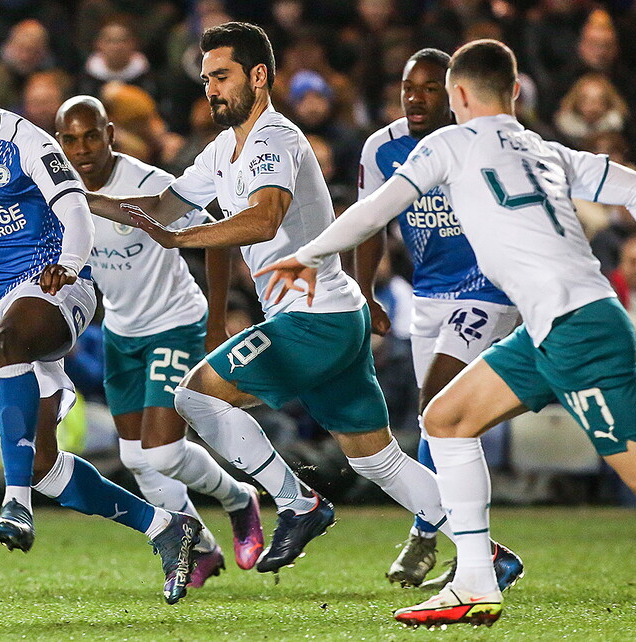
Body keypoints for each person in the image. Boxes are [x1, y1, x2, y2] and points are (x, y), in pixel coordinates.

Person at [258, 39, 636, 627]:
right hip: (556, 326)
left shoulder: (449, 143)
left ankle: (471, 574)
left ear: (458, 94)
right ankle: (474, 582)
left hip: (577, 330)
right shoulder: (546, 150)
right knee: (446, 419)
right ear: (513, 92)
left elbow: (376, 210)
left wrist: (307, 255)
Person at [85, 22, 523, 580]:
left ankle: (298, 504)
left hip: (314, 318)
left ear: (259, 76)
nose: (211, 90)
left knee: (195, 397)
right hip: (334, 316)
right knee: (377, 458)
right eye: (206, 79)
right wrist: (80, 199)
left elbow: (263, 216)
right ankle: (489, 553)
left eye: (222, 76)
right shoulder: (223, 149)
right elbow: (165, 206)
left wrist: (181, 239)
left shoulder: (276, 139)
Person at [0, 46, 201, 605]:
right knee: (41, 464)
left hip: (59, 288)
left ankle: (14, 504)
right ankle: (166, 528)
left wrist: (73, 266)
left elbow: (76, 207)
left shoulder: (29, 143)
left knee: (12, 343)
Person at [55, 95, 264, 587]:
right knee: (134, 459)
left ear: (110, 133)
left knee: (164, 453)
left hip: (176, 322)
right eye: (71, 138)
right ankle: (202, 548)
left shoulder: (149, 183)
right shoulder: (59, 192)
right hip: (121, 332)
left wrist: (217, 320)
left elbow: (216, 233)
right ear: (60, 142)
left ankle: (240, 499)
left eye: (92, 135)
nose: (82, 148)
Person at [355, 49, 519, 590]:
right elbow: (371, 223)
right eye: (408, 87)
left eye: (429, 88)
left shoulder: (481, 140)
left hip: (488, 291)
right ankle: (463, 545)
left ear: (452, 95)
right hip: (428, 297)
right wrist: (365, 292)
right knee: (439, 421)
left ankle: (430, 538)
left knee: (437, 402)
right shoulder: (382, 147)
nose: (415, 97)